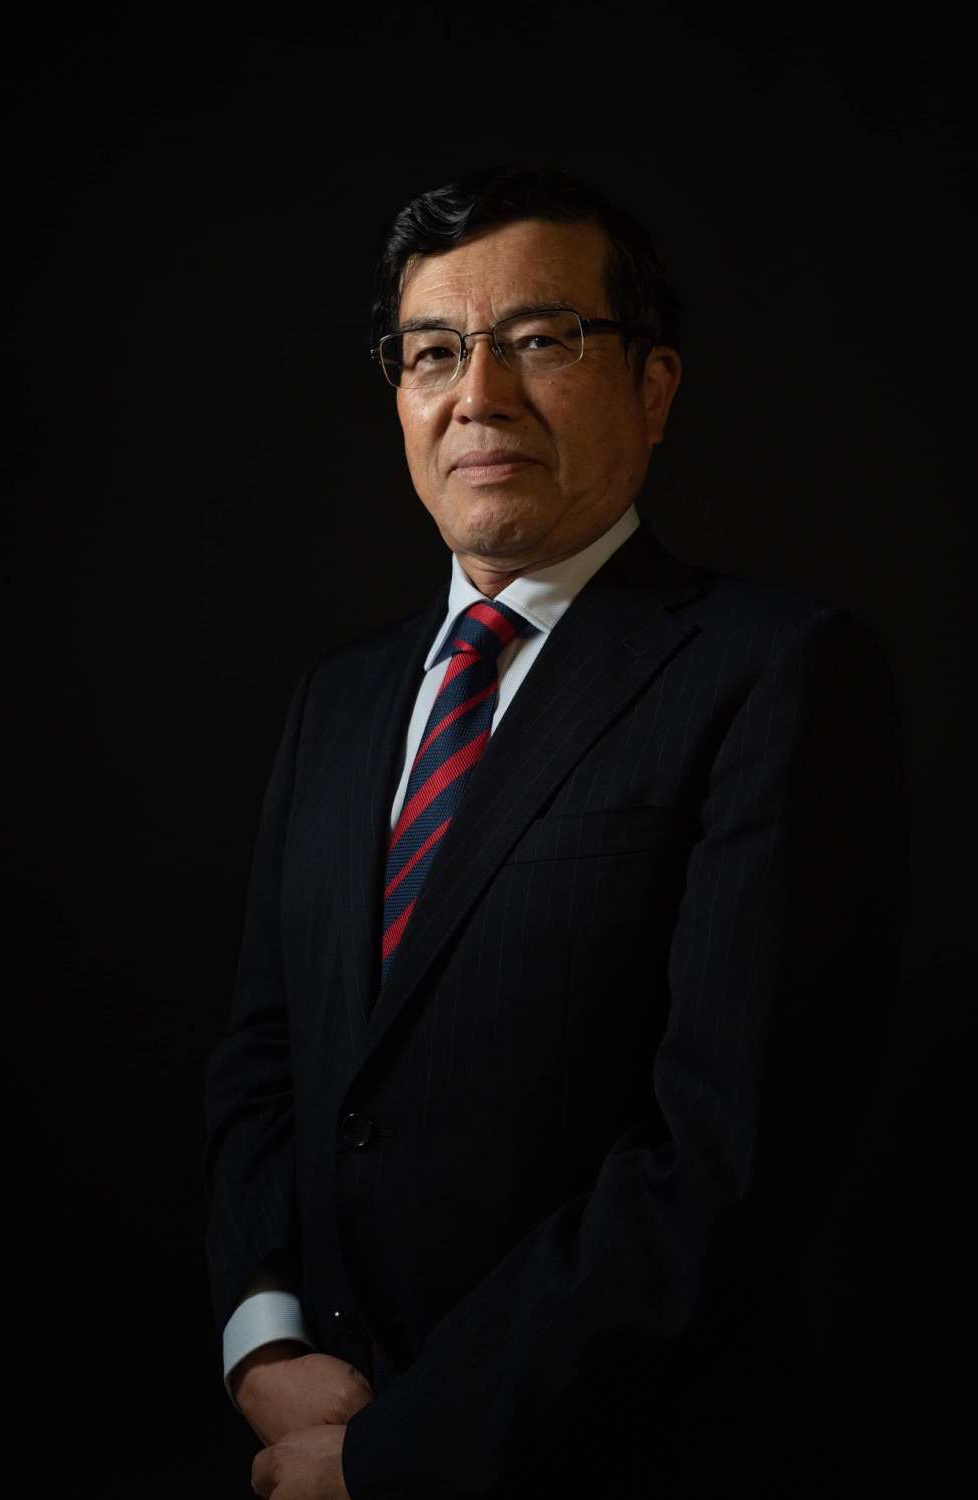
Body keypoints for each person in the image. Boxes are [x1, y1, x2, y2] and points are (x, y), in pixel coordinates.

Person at [203, 165, 904, 1500]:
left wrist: (392, 1457)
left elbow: (721, 1161)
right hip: (314, 1421)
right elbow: (263, 1058)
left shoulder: (776, 674)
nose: (479, 396)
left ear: (654, 387)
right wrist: (264, 1339)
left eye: (540, 340)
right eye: (434, 352)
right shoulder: (338, 703)